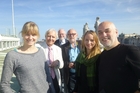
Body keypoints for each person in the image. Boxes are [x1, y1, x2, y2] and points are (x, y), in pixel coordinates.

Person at [0, 21, 55, 93]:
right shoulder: (12, 56)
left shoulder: (41, 52)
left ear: (37, 36)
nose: (30, 37)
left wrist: (53, 90)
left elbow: (47, 75)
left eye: (33, 34)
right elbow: (4, 84)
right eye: (27, 34)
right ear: (22, 34)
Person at [97, 21, 140, 93]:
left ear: (116, 32)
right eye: (100, 32)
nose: (103, 35)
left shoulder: (129, 51)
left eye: (107, 31)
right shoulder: (102, 55)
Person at [38, 28, 64, 93]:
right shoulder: (39, 48)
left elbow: (62, 64)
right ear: (45, 36)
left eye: (53, 37)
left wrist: (58, 62)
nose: (51, 38)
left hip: (55, 76)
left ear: (55, 39)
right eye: (49, 36)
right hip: (43, 77)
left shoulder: (58, 49)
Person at [61, 29, 81, 93]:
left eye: (73, 34)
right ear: (67, 36)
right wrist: (68, 64)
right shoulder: (63, 47)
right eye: (69, 34)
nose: (71, 36)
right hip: (71, 75)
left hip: (81, 73)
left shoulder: (82, 45)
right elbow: (61, 61)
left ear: (77, 35)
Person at [54, 28, 69, 93]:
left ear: (65, 34)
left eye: (62, 34)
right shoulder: (55, 43)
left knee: (66, 81)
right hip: (57, 65)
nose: (61, 35)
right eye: (59, 34)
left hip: (66, 66)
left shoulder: (68, 43)